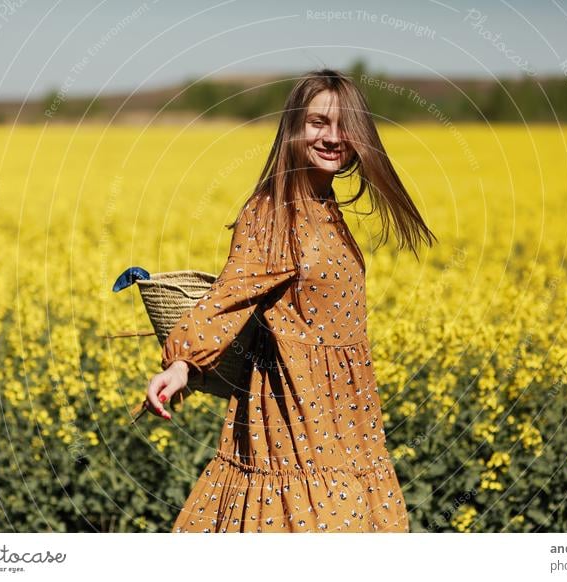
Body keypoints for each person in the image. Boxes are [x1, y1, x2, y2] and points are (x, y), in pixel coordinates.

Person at [144, 68, 437, 532]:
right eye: (319, 121)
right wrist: (183, 363)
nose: (333, 137)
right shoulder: (274, 210)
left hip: (346, 410)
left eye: (345, 125)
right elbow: (231, 294)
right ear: (294, 128)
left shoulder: (324, 202)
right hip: (295, 410)